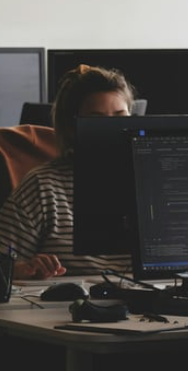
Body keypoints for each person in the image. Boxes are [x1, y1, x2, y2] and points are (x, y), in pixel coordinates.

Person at [0, 64, 133, 279]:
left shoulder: (154, 179)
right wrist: (24, 269)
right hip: (74, 307)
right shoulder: (42, 186)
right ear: (70, 128)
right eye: (96, 120)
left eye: (120, 116)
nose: (112, 129)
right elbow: (3, 265)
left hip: (156, 303)